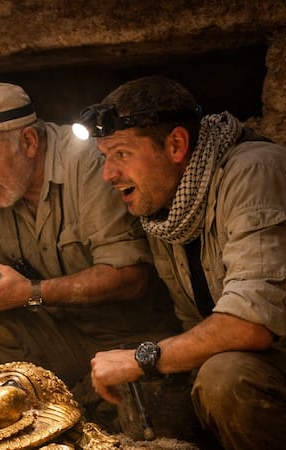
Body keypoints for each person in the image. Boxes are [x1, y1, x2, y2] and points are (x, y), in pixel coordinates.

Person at [0, 82, 179, 405]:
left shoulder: (90, 163)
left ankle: (90, 402)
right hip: (64, 335)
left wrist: (32, 293)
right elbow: (10, 274)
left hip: (130, 341)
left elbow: (131, 278)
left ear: (28, 142)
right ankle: (53, 408)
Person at [87, 75, 286, 449]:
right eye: (104, 157)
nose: (108, 175)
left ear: (176, 145)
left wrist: (142, 359)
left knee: (223, 378)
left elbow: (251, 324)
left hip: (268, 359)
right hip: (262, 365)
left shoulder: (255, 173)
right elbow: (196, 326)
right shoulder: (170, 207)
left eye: (122, 154)